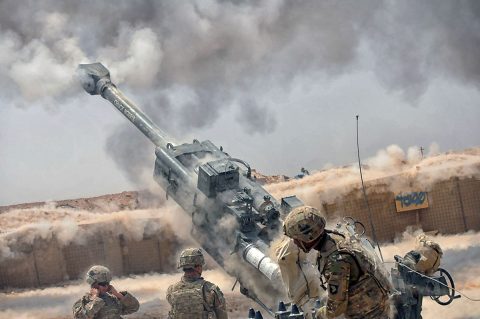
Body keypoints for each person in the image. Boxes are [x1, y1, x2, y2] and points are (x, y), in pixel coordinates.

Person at [283, 206, 392, 319]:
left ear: (308, 237)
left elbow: (336, 307)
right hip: (376, 304)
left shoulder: (337, 261)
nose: (295, 242)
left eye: (296, 238)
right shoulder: (335, 238)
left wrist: (320, 314)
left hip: (369, 313)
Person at [166, 248, 228, 319]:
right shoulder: (210, 290)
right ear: (198, 267)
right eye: (201, 265)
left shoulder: (172, 290)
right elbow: (222, 315)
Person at [72, 265, 140, 319]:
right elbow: (81, 317)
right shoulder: (84, 302)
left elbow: (134, 307)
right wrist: (95, 299)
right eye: (102, 284)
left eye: (107, 283)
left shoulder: (113, 299)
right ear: (93, 284)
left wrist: (117, 294)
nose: (106, 286)